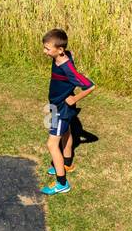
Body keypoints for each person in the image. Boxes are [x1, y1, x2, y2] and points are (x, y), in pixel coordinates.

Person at [41, 29, 96, 195]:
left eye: (47, 49)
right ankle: (67, 164)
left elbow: (90, 85)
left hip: (61, 109)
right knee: (66, 133)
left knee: (51, 144)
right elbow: (72, 53)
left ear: (59, 50)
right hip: (57, 104)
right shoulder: (62, 56)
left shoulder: (67, 67)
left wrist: (75, 98)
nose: (45, 51)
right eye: (44, 47)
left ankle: (62, 183)